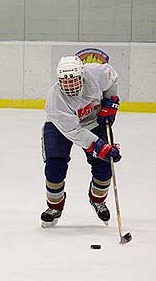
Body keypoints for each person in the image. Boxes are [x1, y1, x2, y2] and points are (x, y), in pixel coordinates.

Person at [40, 55, 122, 228]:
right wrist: (101, 147)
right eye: (65, 81)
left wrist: (111, 101)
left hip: (94, 122)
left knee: (105, 168)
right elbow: (74, 131)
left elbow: (112, 77)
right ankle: (54, 207)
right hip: (60, 128)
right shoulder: (55, 101)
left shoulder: (96, 73)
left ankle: (97, 200)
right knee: (54, 167)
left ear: (82, 75)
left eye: (74, 80)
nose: (69, 85)